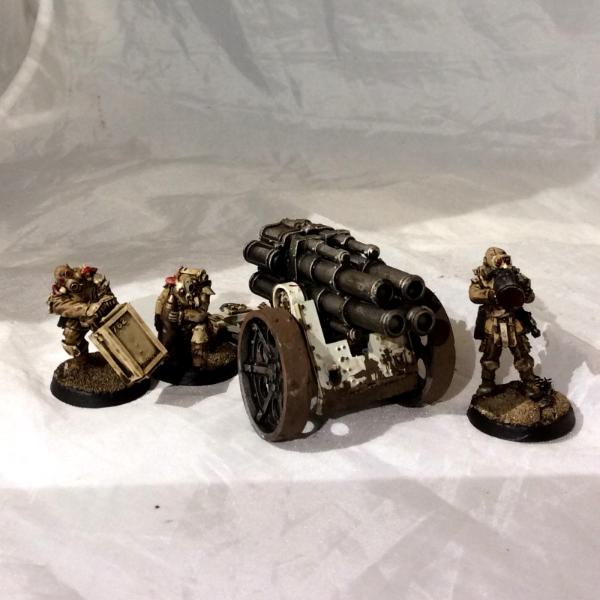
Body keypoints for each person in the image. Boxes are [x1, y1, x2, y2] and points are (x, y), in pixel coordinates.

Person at [469, 247, 538, 396]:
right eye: (499, 261)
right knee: (490, 356)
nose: (504, 264)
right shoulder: (483, 277)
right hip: (493, 323)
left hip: (513, 321)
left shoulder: (514, 274)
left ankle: (529, 381)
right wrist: (490, 295)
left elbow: (529, 298)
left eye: (506, 260)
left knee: (522, 355)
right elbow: (473, 294)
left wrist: (525, 289)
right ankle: (487, 383)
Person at [47, 264, 118, 361]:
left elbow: (106, 291)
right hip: (79, 317)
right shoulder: (58, 292)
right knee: (70, 337)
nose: (67, 278)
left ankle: (118, 353)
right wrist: (86, 309)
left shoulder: (88, 275)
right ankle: (82, 360)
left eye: (68, 274)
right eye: (62, 278)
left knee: (116, 327)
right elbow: (59, 305)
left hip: (101, 309)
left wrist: (103, 302)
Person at [155, 267, 215, 368]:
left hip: (193, 322)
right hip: (176, 322)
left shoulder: (203, 290)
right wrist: (157, 315)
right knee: (166, 334)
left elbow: (201, 314)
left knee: (200, 332)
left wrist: (183, 315)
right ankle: (164, 359)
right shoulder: (174, 285)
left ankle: (198, 364)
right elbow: (161, 300)